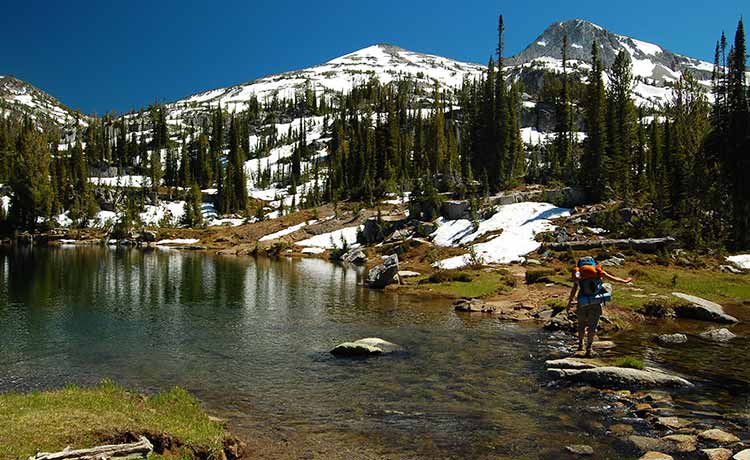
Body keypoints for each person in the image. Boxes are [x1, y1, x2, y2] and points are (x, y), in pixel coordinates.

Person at [567, 256, 632, 357]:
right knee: (592, 326)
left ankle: (580, 345)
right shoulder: (597, 271)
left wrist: (569, 303)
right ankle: (589, 348)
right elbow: (613, 278)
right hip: (596, 302)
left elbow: (574, 290)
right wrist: (625, 281)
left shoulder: (578, 273)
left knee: (581, 325)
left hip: (582, 302)